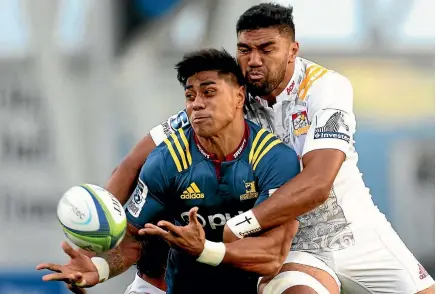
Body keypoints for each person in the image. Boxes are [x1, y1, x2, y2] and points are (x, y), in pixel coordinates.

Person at [95, 3, 435, 294]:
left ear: (292, 50)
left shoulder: (325, 88)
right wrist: (95, 233)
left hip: (355, 229)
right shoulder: (228, 96)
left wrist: (239, 226)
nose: (253, 60)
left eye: (266, 49)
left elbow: (318, 184)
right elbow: (131, 165)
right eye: (245, 50)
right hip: (290, 244)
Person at [36, 48, 301, 294]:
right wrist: (100, 267)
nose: (196, 104)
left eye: (209, 92)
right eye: (189, 95)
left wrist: (204, 249)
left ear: (239, 96)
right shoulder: (166, 161)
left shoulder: (275, 159)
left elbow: (273, 254)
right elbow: (134, 239)